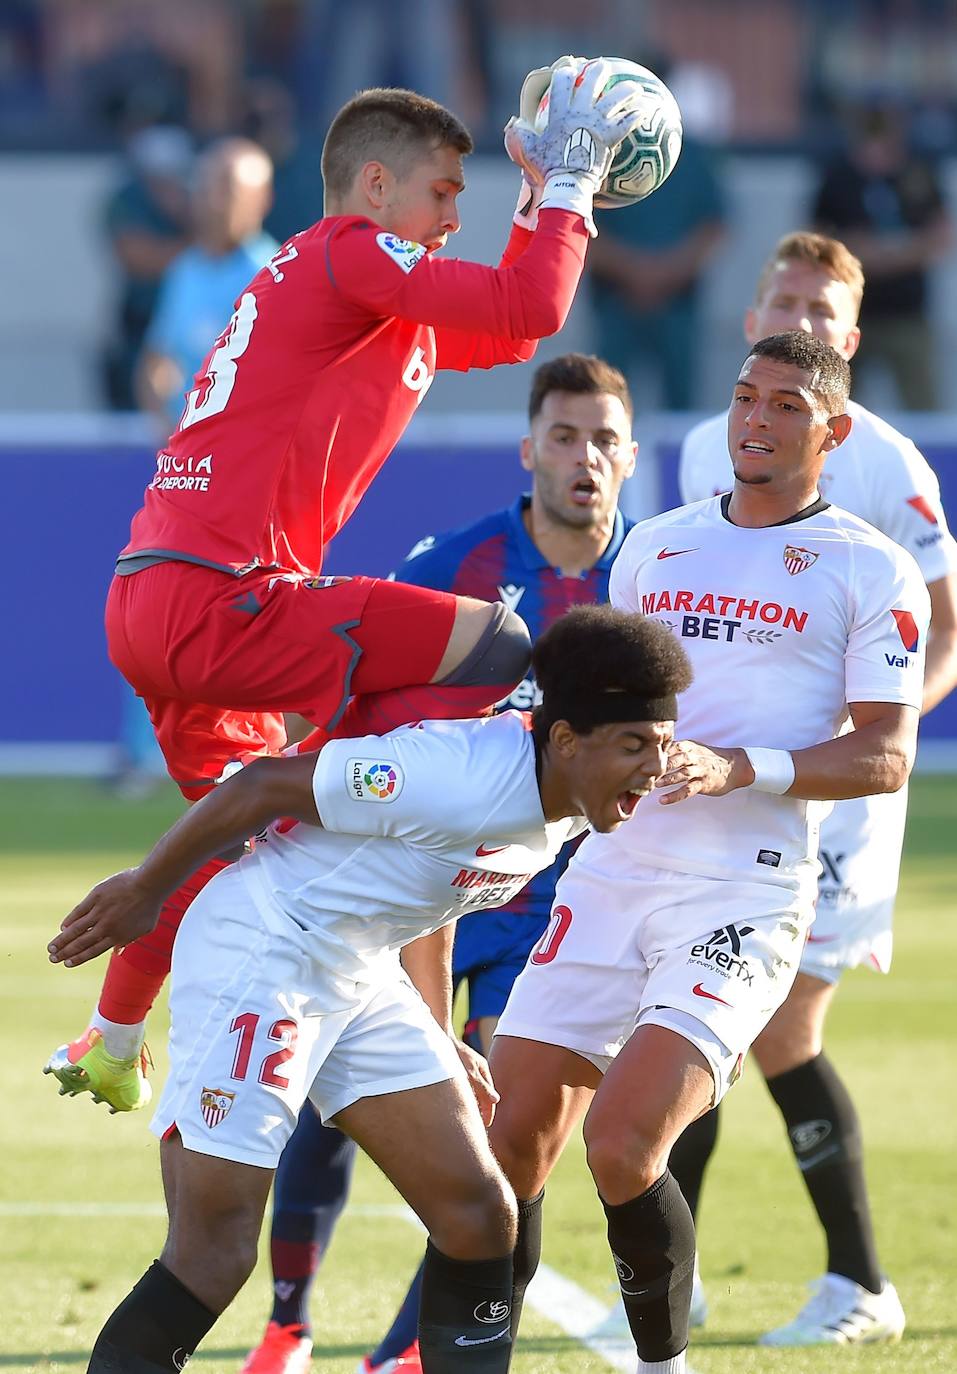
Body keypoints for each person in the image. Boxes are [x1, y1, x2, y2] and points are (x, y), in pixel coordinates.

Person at [44, 63, 651, 1114]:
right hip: (227, 596)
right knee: (499, 647)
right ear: (376, 187)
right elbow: (538, 300)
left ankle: (113, 1033)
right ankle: (396, 836)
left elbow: (514, 322)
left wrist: (539, 199)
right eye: (444, 193)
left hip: (155, 599)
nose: (455, 216)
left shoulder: (363, 291)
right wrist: (568, 181)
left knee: (250, 832)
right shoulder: (356, 255)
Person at [48, 605, 693, 1374]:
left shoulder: (569, 802)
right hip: (264, 951)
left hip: (360, 970)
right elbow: (263, 785)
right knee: (213, 1253)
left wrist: (433, 1029)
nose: (654, 769)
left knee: (480, 1216)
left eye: (661, 744)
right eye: (634, 746)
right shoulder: (450, 773)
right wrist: (148, 888)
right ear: (564, 740)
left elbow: (437, 896)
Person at [484, 330, 928, 1374]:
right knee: (504, 1149)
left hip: (742, 891)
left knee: (625, 1145)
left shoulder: (871, 565)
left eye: (784, 404)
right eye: (743, 398)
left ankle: (661, 1366)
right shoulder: (657, 544)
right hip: (615, 869)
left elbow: (884, 757)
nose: (756, 421)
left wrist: (741, 768)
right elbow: (607, 715)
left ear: (834, 430)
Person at [241, 350, 639, 1374]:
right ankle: (288, 1319)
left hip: (563, 897)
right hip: (420, 877)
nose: (583, 457)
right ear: (528, 449)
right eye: (563, 436)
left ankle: (410, 1350)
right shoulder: (452, 565)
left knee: (509, 1123)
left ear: (632, 456)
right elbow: (343, 671)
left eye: (603, 439)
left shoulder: (654, 581)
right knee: (335, 1103)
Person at [676, 231, 957, 1346]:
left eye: (824, 306)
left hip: (836, 794)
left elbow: (947, 626)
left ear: (850, 335)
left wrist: (880, 735)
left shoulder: (883, 463)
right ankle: (676, 1268)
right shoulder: (708, 446)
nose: (799, 314)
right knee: (689, 1002)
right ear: (752, 317)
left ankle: (860, 1285)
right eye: (783, 297)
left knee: (781, 1027)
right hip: (728, 785)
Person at [587, 55, 726, 411]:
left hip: (676, 302)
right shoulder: (596, 149)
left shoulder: (692, 153)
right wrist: (636, 273)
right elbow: (578, 226)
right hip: (616, 300)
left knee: (680, 404)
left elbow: (713, 227)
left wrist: (662, 274)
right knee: (604, 399)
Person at [812, 101, 953, 410]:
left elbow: (940, 234)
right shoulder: (839, 177)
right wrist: (860, 252)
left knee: (922, 404)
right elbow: (816, 240)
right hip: (852, 313)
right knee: (838, 405)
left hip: (908, 313)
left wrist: (892, 254)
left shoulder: (917, 173)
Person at [136, 138, 278, 430]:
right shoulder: (185, 270)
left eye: (227, 189)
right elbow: (159, 358)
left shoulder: (277, 274)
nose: (214, 202)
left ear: (263, 199)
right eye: (205, 187)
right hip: (192, 455)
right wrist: (163, 416)